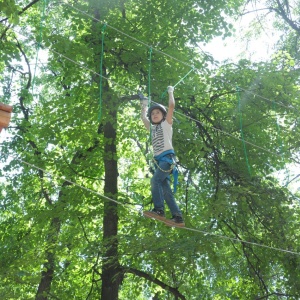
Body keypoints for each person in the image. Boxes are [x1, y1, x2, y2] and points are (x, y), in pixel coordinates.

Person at [140, 86, 185, 227]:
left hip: (167, 160)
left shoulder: (166, 124)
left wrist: (171, 91)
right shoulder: (152, 129)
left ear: (163, 115)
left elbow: (171, 106)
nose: (154, 115)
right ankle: (177, 217)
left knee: (155, 181)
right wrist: (144, 105)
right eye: (152, 113)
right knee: (166, 191)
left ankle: (159, 210)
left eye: (158, 112)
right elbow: (143, 117)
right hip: (160, 162)